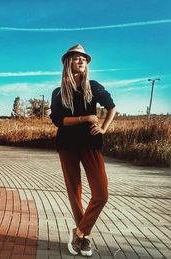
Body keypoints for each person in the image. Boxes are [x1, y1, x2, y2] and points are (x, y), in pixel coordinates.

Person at [50, 44, 116, 256]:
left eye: (84, 59)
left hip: (91, 144)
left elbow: (111, 107)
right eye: (77, 58)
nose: (82, 61)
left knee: (101, 193)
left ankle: (79, 232)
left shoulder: (93, 86)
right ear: (68, 62)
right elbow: (57, 120)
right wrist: (86, 118)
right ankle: (84, 238)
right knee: (74, 191)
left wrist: (103, 128)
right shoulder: (59, 92)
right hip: (67, 145)